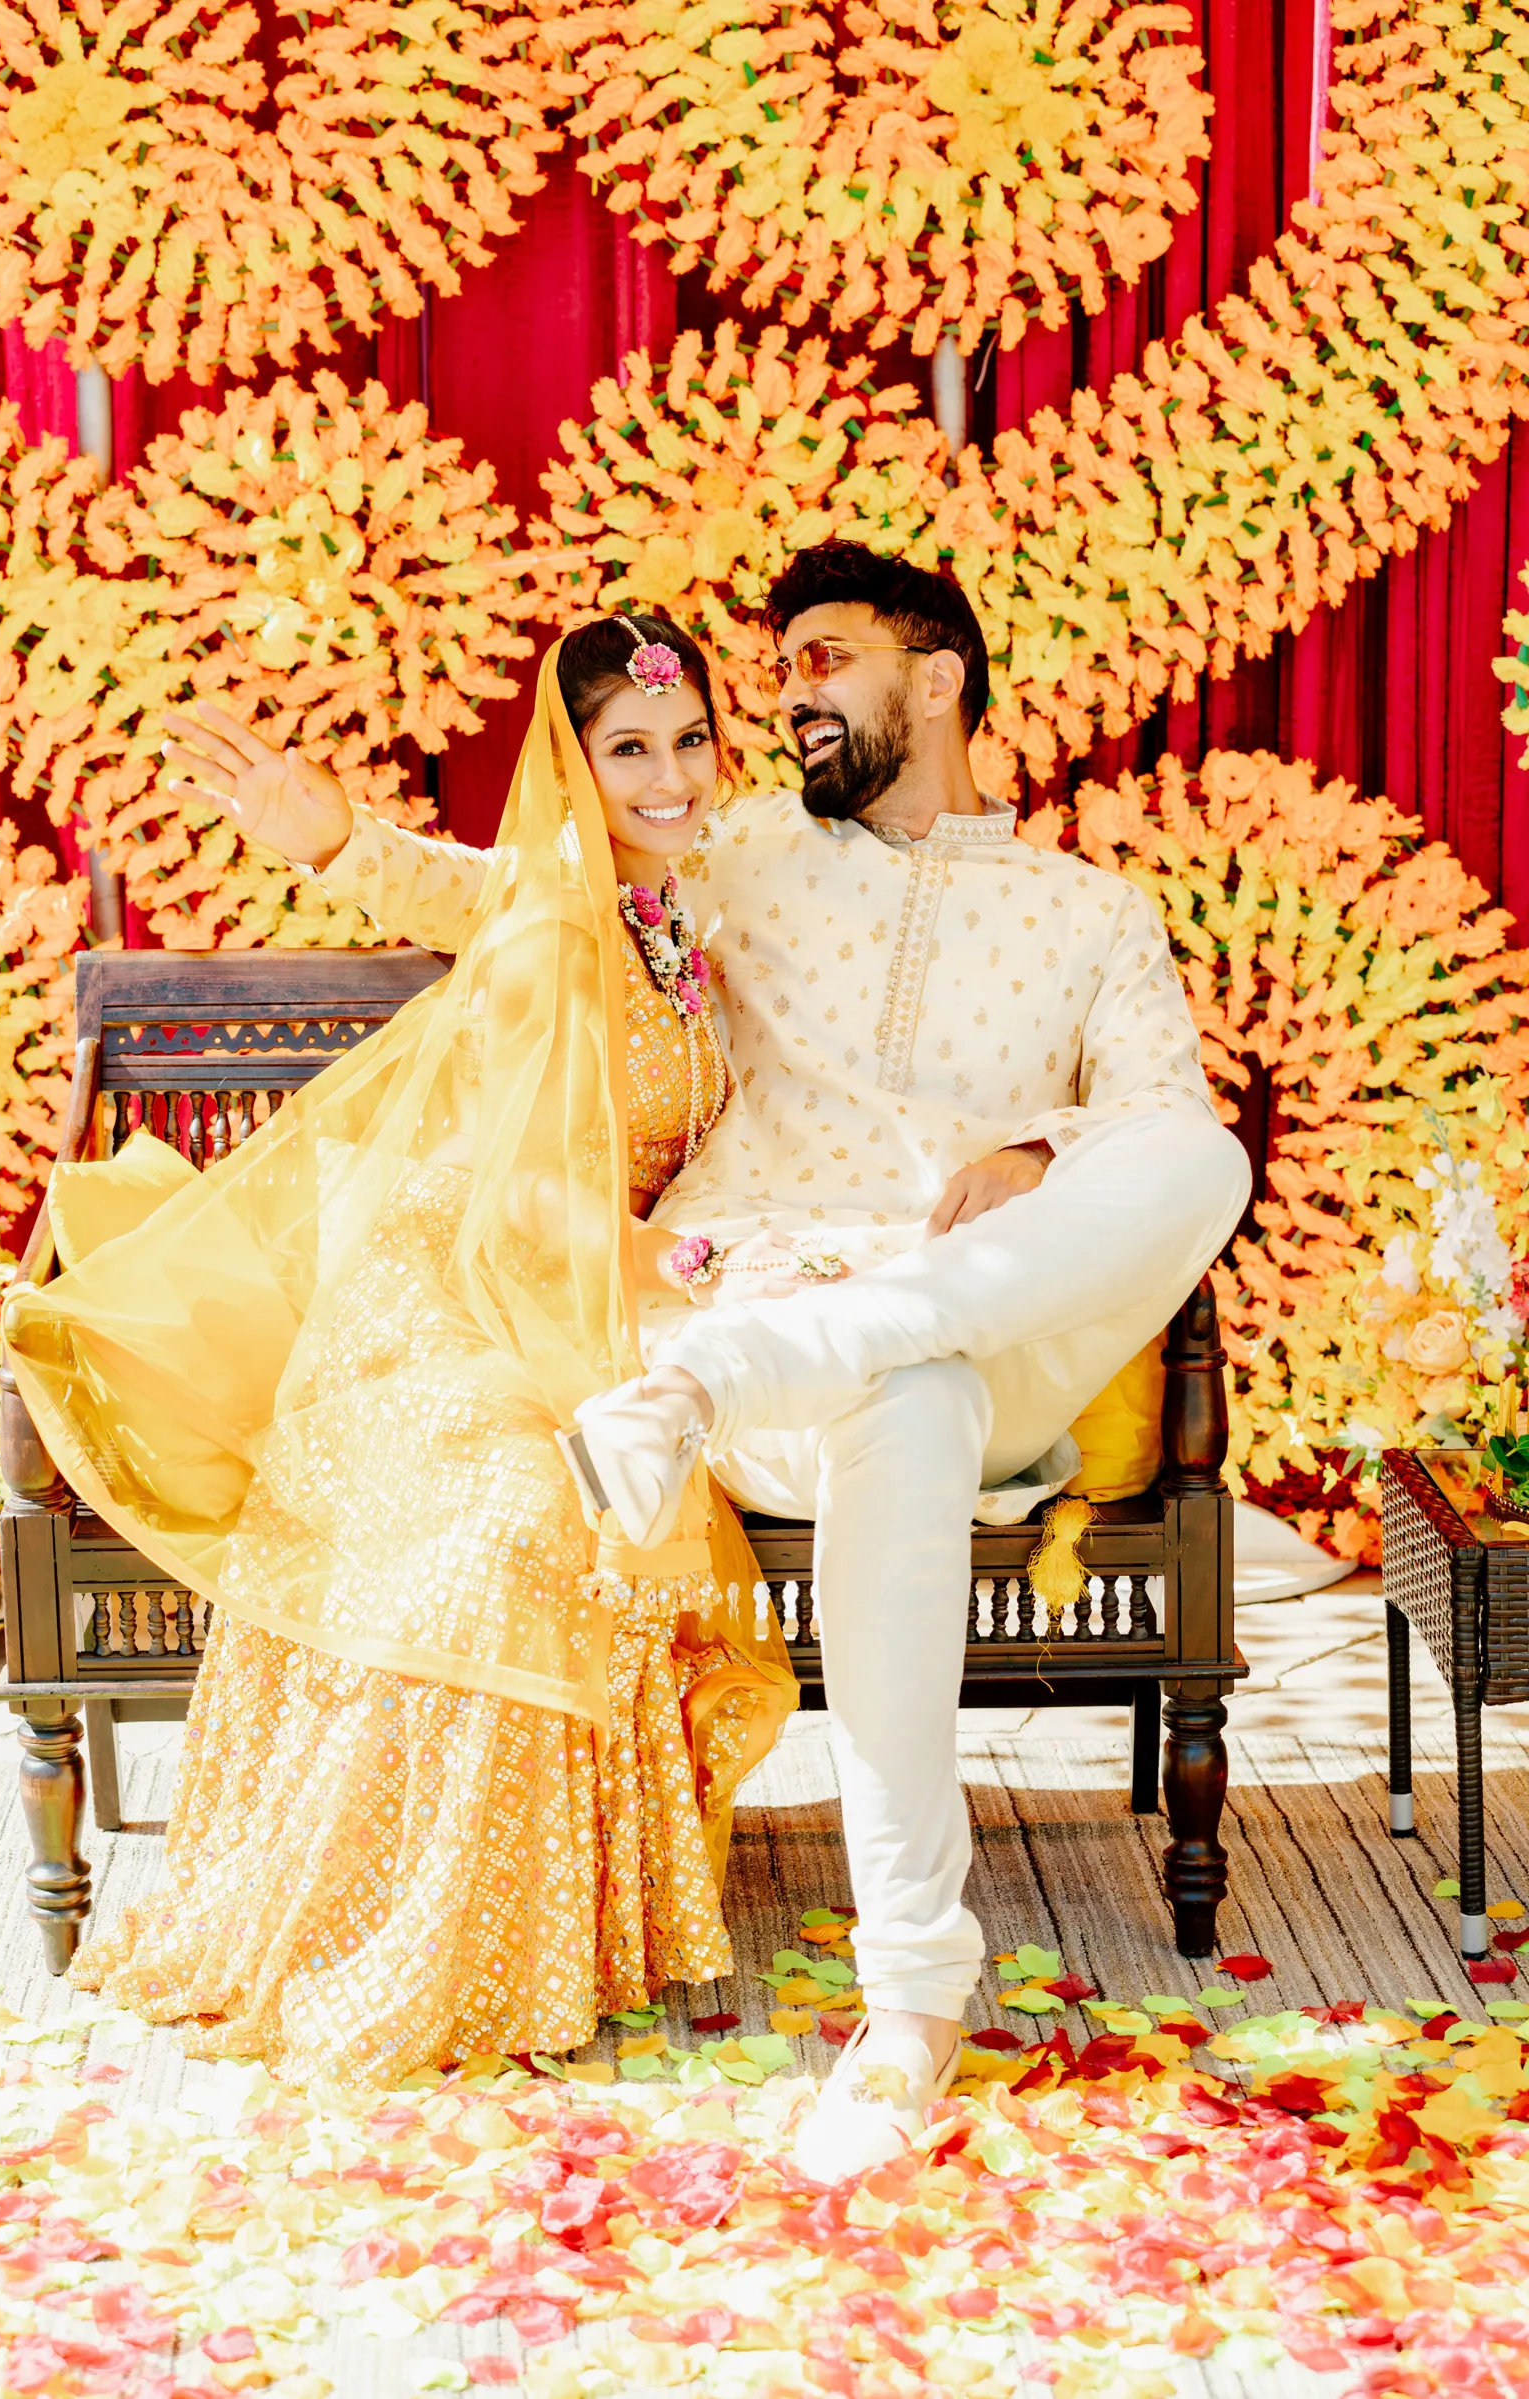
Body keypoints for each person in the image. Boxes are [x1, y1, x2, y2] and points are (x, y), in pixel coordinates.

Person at [314, 541, 1252, 2178]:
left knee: (1204, 1161)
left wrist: (1044, 1140)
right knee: (913, 1399)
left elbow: (1160, 1116)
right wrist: (336, 841)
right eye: (784, 668)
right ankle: (911, 2003)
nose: (790, 695)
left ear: (938, 671)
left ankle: (758, 1366)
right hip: (780, 1329)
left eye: (824, 657)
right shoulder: (738, 852)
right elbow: (524, 895)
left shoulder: (1092, 914)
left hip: (974, 1306)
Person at [3, 617, 797, 2085]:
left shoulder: (690, 907)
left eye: (690, 741)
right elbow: (527, 1171)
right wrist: (333, 840)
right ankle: (411, 1929)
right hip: (447, 1296)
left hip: (581, 1297)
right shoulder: (551, 924)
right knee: (520, 1521)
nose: (671, 774)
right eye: (630, 748)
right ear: (576, 762)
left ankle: (554, 1928)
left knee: (592, 1495)